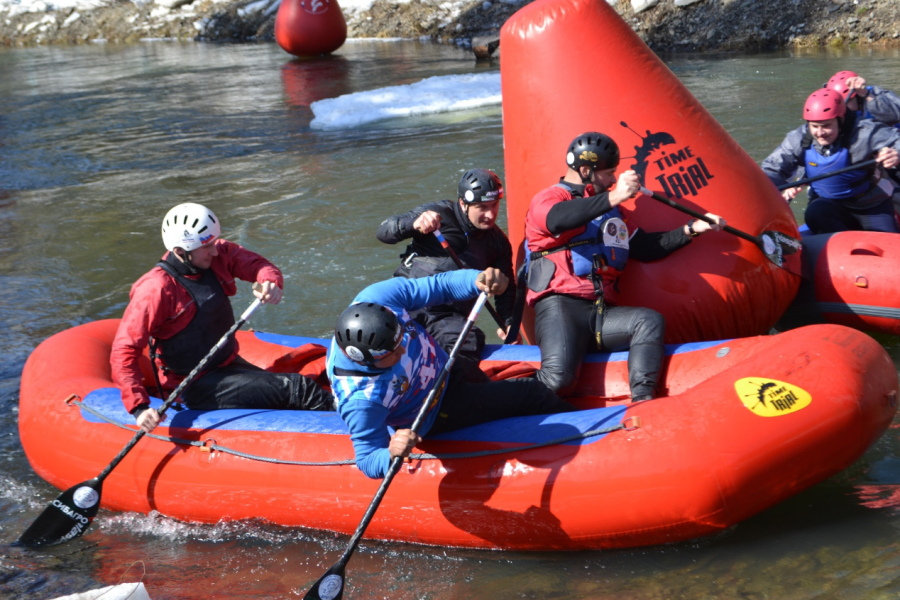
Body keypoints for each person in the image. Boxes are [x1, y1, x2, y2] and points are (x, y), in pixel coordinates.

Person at [524, 132, 725, 400]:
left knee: (648, 321)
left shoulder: (614, 211)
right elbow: (556, 220)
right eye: (608, 173)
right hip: (561, 307)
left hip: (601, 313)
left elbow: (645, 247)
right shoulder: (550, 198)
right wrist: (616, 195)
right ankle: (500, 397)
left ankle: (644, 400)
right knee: (558, 380)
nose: (613, 180)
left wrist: (693, 229)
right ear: (585, 171)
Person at [327, 269, 575, 479]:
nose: (403, 349)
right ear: (368, 362)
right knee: (530, 392)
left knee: (504, 399)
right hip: (437, 409)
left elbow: (439, 285)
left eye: (400, 337)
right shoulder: (362, 401)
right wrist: (390, 453)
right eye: (393, 353)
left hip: (447, 366)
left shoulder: (377, 299)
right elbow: (367, 458)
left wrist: (477, 280)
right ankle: (582, 440)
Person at [111, 202, 332, 434]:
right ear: (180, 251)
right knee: (298, 388)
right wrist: (139, 407)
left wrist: (269, 281)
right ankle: (351, 428)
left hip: (228, 364)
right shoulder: (155, 290)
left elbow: (257, 265)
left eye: (214, 242)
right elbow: (124, 350)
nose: (215, 251)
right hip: (193, 384)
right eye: (207, 247)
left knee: (297, 387)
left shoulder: (215, 255)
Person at [376, 169, 517, 364]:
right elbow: (384, 231)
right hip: (410, 302)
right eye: (482, 207)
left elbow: (506, 292)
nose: (490, 214)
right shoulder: (439, 214)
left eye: (494, 205)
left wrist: (509, 324)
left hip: (447, 317)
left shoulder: (499, 243)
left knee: (470, 339)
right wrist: (413, 223)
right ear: (463, 204)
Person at [762, 89, 900, 234]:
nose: (820, 133)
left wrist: (896, 153)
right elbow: (772, 170)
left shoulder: (864, 132)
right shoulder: (798, 138)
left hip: (870, 204)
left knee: (889, 242)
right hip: (828, 205)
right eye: (814, 126)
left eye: (826, 125)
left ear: (841, 120)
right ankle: (843, 243)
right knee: (814, 212)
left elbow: (896, 140)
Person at [826, 70, 900, 127]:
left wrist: (868, 95)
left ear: (858, 97)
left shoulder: (878, 94)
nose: (843, 108)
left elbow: (894, 116)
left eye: (848, 102)